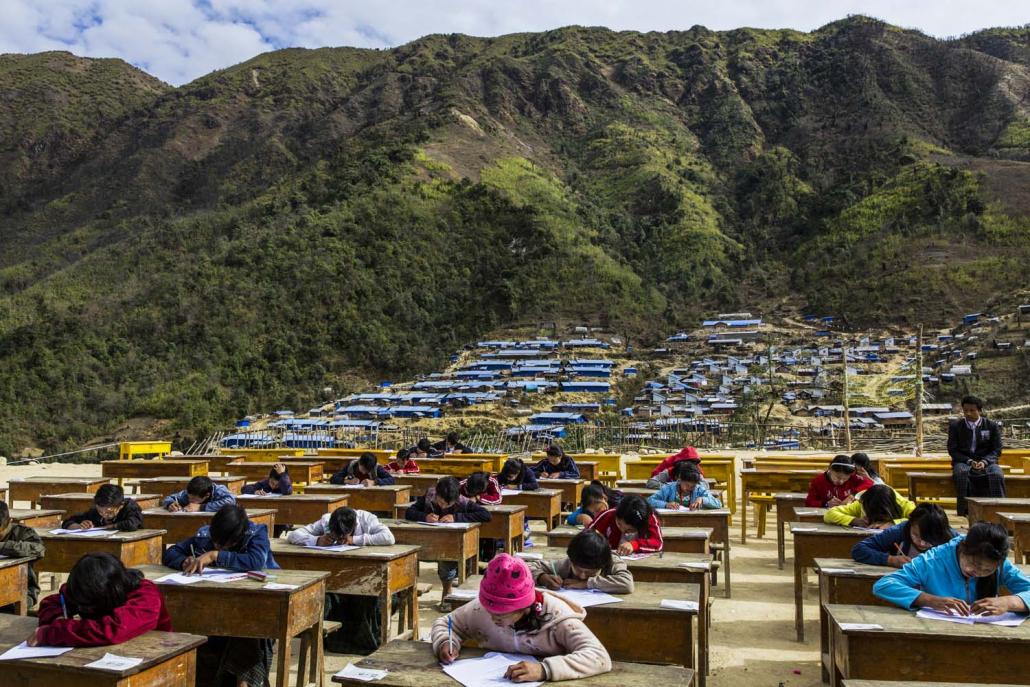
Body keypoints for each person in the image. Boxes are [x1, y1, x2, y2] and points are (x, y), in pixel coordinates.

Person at [431, 554, 612, 682]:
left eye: (501, 614)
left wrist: (544, 670)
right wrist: (446, 642)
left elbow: (598, 656)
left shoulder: (558, 619)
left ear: (524, 607)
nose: (493, 618)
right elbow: (445, 623)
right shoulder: (481, 609)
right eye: (489, 610)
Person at [162, 505, 277, 687]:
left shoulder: (255, 533)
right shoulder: (206, 534)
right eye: (215, 543)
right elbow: (171, 552)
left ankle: (244, 683)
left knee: (250, 631)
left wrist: (216, 555)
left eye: (224, 545)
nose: (216, 545)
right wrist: (184, 561)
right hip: (219, 605)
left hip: (257, 604)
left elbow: (256, 561)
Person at [287, 507, 395, 654]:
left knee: (367, 597)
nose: (340, 539)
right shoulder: (326, 520)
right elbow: (294, 535)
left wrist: (354, 540)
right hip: (336, 576)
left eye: (344, 535)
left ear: (354, 527)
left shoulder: (366, 519)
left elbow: (388, 537)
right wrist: (316, 540)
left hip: (362, 576)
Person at [873, 522, 1030, 616]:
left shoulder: (1000, 563)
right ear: (962, 548)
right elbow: (885, 585)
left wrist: (1009, 602)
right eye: (974, 564)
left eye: (987, 570)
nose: (977, 572)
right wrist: (931, 600)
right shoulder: (932, 560)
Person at [28, 553, 171, 647]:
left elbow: (114, 629)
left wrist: (54, 632)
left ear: (110, 591)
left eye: (88, 607)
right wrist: (56, 618)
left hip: (153, 654)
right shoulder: (83, 588)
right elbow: (52, 602)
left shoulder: (145, 595)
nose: (84, 610)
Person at [405, 477, 491, 599]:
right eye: (440, 502)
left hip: (449, 543)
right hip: (428, 540)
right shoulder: (430, 496)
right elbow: (409, 512)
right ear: (437, 494)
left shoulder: (462, 501)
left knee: (447, 559)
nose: (443, 506)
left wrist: (456, 518)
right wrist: (424, 517)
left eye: (447, 504)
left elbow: (486, 515)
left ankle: (447, 590)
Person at [948, 395, 1005, 516]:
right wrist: (969, 461)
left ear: (980, 410)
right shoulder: (955, 427)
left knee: (996, 474)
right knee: (961, 474)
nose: (968, 413)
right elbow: (953, 450)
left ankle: (999, 508)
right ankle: (964, 511)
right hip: (964, 461)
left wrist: (985, 461)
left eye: (972, 410)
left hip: (988, 462)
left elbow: (997, 449)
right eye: (965, 411)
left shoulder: (991, 426)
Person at [527, 529, 634, 593]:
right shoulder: (566, 564)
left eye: (590, 572)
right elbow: (526, 567)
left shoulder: (611, 561)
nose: (582, 576)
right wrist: (541, 577)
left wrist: (586, 583)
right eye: (578, 570)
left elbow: (627, 584)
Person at [852, 503, 956, 568]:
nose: (921, 543)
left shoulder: (951, 538)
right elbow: (859, 549)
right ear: (910, 524)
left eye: (928, 540)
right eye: (916, 535)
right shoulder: (900, 531)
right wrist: (890, 560)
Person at [0, 501, 45, 610]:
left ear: (9, 522)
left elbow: (39, 549)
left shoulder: (23, 533)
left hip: (23, 591)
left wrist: (2, 546)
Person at [587, 494, 664, 555]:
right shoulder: (609, 515)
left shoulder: (649, 518)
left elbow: (658, 543)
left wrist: (635, 545)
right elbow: (586, 535)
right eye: (619, 524)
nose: (622, 530)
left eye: (630, 530)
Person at [824, 483, 914, 529]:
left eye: (882, 517)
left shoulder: (903, 505)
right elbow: (829, 514)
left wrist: (892, 524)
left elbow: (920, 519)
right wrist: (854, 521)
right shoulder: (862, 504)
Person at [61, 484, 143, 531]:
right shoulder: (95, 512)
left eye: (109, 512)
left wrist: (103, 528)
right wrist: (79, 526)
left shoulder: (130, 507)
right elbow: (67, 522)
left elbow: (132, 524)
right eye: (100, 511)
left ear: (120, 506)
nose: (104, 515)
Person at [647, 461, 722, 511]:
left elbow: (718, 504)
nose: (689, 488)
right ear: (679, 480)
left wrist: (702, 499)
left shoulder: (699, 490)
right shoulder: (668, 488)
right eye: (687, 485)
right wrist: (666, 504)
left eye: (693, 486)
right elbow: (649, 501)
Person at [804, 455, 874, 507]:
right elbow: (809, 501)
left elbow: (869, 483)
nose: (841, 481)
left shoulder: (853, 478)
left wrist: (852, 496)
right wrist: (826, 503)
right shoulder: (818, 481)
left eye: (845, 478)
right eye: (838, 477)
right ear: (830, 469)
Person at [162, 475, 236, 512]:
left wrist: (201, 507)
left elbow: (231, 502)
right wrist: (170, 504)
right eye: (189, 497)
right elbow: (169, 498)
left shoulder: (219, 490)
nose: (190, 500)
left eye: (193, 498)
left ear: (207, 495)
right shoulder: (189, 493)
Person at [329, 452, 396, 486]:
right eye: (364, 469)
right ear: (359, 463)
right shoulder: (351, 466)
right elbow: (333, 478)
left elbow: (391, 480)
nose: (364, 472)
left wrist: (374, 482)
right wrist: (348, 481)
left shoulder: (377, 468)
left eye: (368, 470)